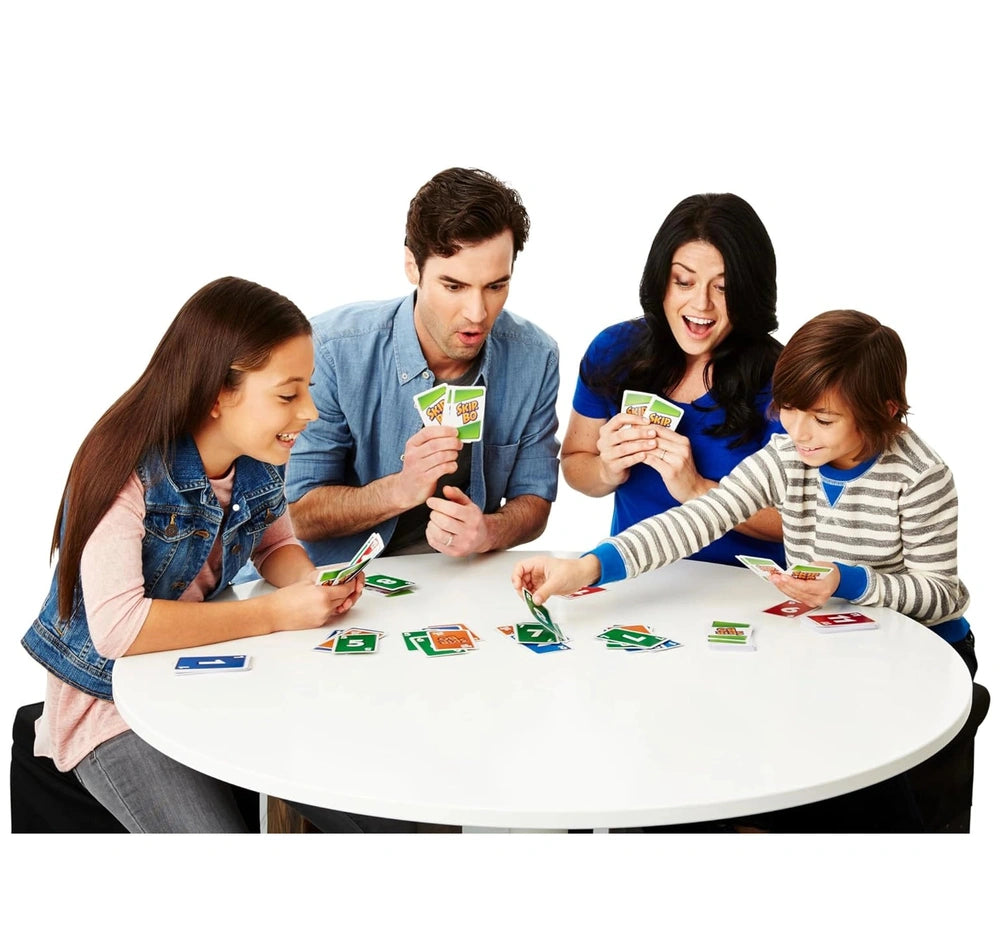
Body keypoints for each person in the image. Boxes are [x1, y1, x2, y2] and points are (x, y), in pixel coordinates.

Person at [513, 309, 977, 832]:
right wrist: (587, 567)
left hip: (924, 654)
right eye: (790, 409)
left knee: (855, 794)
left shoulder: (921, 477)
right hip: (837, 649)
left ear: (884, 412)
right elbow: (698, 518)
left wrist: (845, 581)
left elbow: (941, 594)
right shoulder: (789, 454)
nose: (799, 432)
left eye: (824, 420)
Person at [21, 277, 365, 833]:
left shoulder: (258, 459)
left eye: (308, 389)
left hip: (196, 679)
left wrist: (309, 583)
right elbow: (118, 630)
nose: (310, 412)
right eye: (288, 395)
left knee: (353, 788)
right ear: (217, 395)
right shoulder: (124, 468)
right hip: (107, 707)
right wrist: (277, 613)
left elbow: (276, 545)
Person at [285, 166, 560, 566]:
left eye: (496, 286)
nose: (477, 313)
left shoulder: (535, 358)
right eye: (454, 286)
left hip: (461, 577)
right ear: (413, 266)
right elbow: (300, 513)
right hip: (341, 580)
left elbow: (534, 499)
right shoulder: (330, 350)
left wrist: (489, 531)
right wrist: (400, 490)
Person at [560, 193, 785, 568]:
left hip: (742, 588)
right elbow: (574, 461)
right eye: (683, 281)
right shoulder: (613, 350)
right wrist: (606, 470)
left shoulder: (785, 379)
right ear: (661, 280)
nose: (701, 304)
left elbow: (802, 521)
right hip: (636, 579)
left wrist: (697, 489)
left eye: (724, 288)